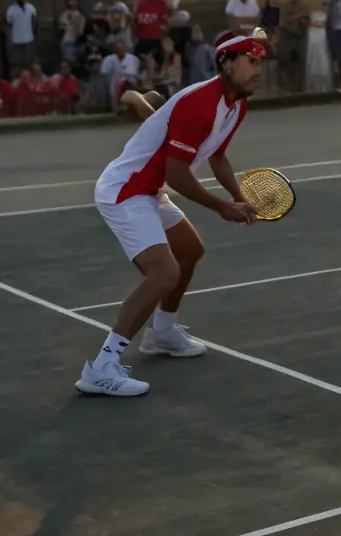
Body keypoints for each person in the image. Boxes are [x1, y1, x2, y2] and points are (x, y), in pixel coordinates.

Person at [76, 30, 265, 398]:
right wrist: (223, 207)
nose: (258, 70)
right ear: (225, 63)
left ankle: (162, 332)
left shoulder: (237, 103)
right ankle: (102, 367)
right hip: (125, 189)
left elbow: (218, 156)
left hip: (149, 189)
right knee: (165, 271)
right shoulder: (200, 102)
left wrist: (238, 196)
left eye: (260, 62)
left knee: (190, 251)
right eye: (251, 61)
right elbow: (177, 172)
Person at [5, 0, 38, 73]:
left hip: (29, 39)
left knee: (28, 62)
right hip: (16, 41)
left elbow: (34, 23)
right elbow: (9, 24)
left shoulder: (31, 8)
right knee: (17, 64)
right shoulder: (11, 10)